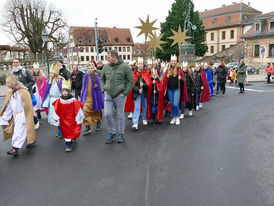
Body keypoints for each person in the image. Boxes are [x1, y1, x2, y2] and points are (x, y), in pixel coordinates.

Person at [100, 50, 134, 144]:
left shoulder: (125, 67)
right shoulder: (106, 66)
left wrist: (125, 93)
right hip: (108, 95)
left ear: (114, 57)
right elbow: (102, 78)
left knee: (120, 115)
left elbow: (131, 80)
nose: (107, 59)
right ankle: (112, 132)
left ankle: (120, 134)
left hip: (120, 95)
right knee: (107, 114)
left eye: (108, 57)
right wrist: (104, 89)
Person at [0, 75, 36, 156]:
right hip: (15, 115)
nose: (7, 85)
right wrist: (5, 117)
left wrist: (26, 116)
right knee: (21, 131)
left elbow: (28, 106)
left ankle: (15, 148)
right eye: (6, 83)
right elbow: (9, 106)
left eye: (8, 83)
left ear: (13, 83)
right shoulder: (10, 92)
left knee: (19, 132)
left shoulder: (23, 92)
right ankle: (31, 141)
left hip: (23, 115)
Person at [52, 80, 84, 152]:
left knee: (73, 131)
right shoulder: (59, 100)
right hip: (63, 120)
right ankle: (68, 144)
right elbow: (56, 109)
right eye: (63, 91)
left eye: (66, 91)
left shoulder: (73, 100)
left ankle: (71, 141)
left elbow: (78, 109)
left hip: (72, 119)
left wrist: (78, 118)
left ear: (69, 92)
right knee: (66, 132)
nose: (65, 92)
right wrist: (56, 117)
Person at [163, 55, 188, 125]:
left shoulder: (179, 70)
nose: (173, 62)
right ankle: (173, 117)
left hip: (177, 89)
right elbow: (165, 80)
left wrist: (181, 79)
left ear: (176, 61)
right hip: (170, 89)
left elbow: (183, 81)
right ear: (170, 62)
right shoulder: (168, 70)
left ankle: (177, 117)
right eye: (172, 61)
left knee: (175, 103)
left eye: (174, 61)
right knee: (172, 104)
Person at [81, 62, 104, 135]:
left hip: (94, 98)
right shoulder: (85, 76)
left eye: (91, 68)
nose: (90, 70)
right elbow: (84, 87)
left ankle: (98, 121)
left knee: (95, 111)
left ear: (94, 68)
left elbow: (99, 89)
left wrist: (99, 98)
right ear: (87, 69)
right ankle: (87, 127)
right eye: (89, 68)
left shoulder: (96, 76)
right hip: (87, 97)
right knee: (85, 111)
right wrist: (82, 97)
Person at [42, 64, 63, 138]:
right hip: (52, 102)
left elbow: (63, 91)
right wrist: (45, 103)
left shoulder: (60, 80)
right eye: (50, 73)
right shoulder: (49, 81)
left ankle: (61, 132)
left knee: (59, 117)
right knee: (55, 117)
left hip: (59, 101)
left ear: (55, 73)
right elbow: (47, 94)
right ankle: (59, 131)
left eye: (51, 73)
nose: (50, 74)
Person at [131, 57, 151, 130]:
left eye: (141, 64)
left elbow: (149, 83)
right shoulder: (134, 73)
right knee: (137, 107)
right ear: (136, 64)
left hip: (144, 92)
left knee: (145, 106)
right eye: (139, 64)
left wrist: (144, 85)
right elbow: (132, 85)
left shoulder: (146, 73)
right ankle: (135, 123)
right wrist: (137, 89)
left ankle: (144, 118)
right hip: (137, 93)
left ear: (143, 64)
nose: (140, 65)